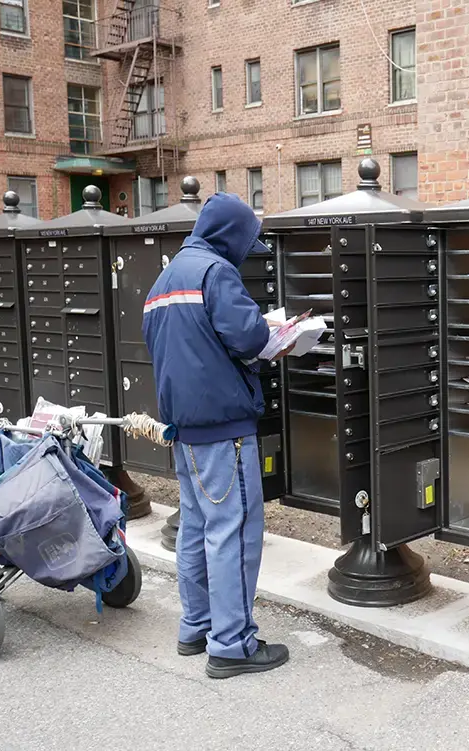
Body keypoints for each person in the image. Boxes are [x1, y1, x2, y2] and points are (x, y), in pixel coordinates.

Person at [142, 192, 288, 679]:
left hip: (184, 432)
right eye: (246, 246)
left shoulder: (164, 280)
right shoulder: (215, 273)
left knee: (196, 527)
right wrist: (275, 329)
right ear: (229, 237)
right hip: (225, 432)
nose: (246, 258)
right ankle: (232, 644)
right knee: (234, 532)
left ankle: (196, 627)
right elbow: (249, 338)